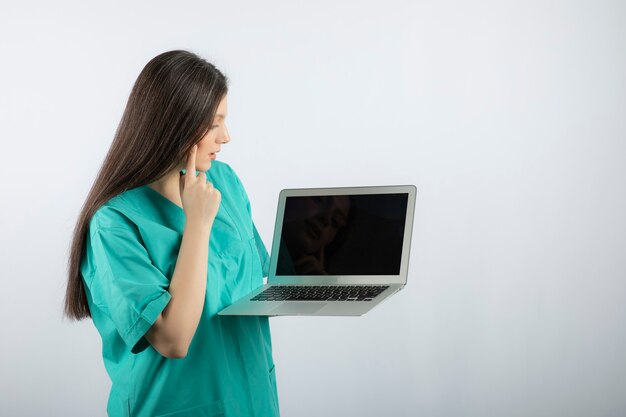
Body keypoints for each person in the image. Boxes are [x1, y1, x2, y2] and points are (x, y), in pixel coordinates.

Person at [63, 50, 280, 417]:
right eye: (214, 123)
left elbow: (250, 283)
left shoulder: (224, 182)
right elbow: (173, 339)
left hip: (252, 400)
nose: (226, 136)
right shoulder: (114, 224)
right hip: (176, 406)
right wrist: (197, 223)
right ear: (174, 125)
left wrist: (319, 277)